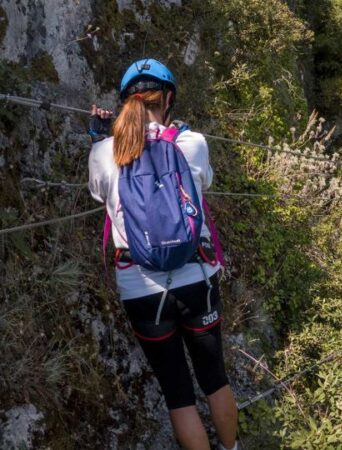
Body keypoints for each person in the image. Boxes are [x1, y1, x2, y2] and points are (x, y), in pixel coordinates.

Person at [87, 59, 238, 450]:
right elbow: (203, 181)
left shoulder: (104, 152)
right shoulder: (193, 143)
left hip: (141, 288)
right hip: (196, 277)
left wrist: (98, 139)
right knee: (214, 378)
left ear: (125, 103)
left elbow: (100, 193)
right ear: (168, 98)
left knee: (177, 392)